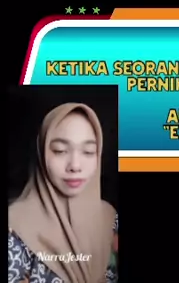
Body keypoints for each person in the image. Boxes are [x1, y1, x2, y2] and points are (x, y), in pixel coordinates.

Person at [8, 103, 118, 283]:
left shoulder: (111, 218)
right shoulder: (14, 228)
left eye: (88, 152)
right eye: (60, 151)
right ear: (42, 153)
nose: (75, 165)